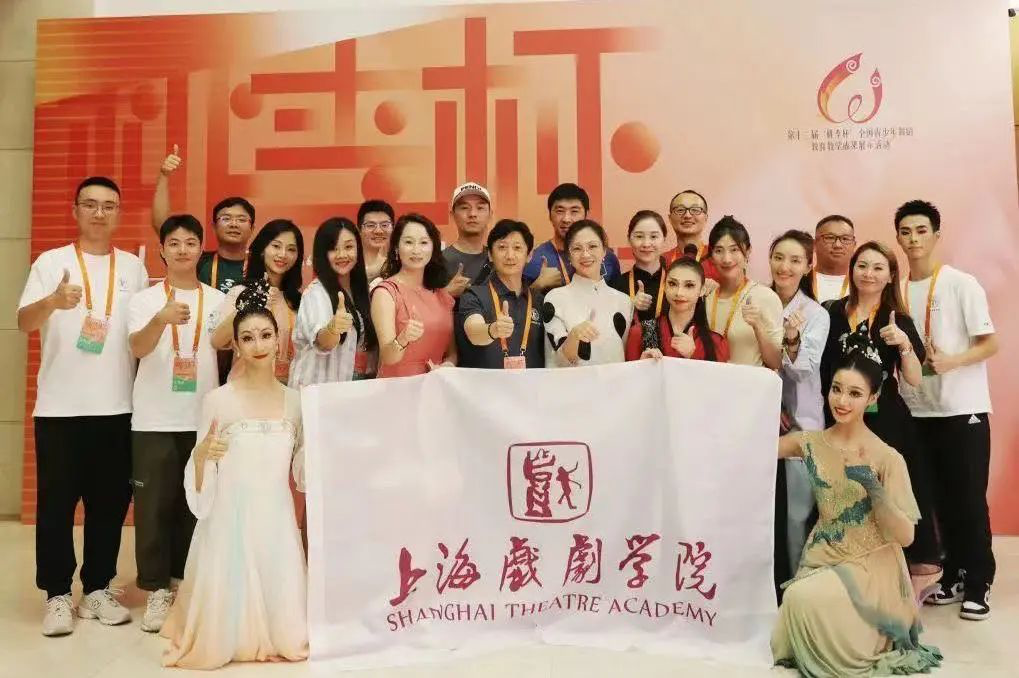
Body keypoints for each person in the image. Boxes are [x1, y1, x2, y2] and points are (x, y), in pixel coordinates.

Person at [17, 176, 149, 636]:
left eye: (108, 205)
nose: (99, 213)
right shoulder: (51, 262)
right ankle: (57, 595)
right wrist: (53, 301)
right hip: (59, 408)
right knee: (56, 505)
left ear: (119, 213)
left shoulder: (133, 267)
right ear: (75, 211)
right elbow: (23, 322)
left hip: (117, 406)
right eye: (90, 204)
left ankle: (96, 588)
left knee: (109, 505)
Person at [773, 335, 942, 677]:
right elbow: (754, 446)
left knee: (803, 599)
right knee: (797, 598)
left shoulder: (887, 458)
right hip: (822, 556)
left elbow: (906, 537)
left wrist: (873, 489)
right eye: (837, 389)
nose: (842, 401)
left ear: (873, 398)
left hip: (871, 567)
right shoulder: (811, 442)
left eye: (854, 393)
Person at [161, 287, 308, 669]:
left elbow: (303, 471)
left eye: (265, 335)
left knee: (289, 630)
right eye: (247, 337)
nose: (258, 344)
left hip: (276, 519)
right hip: (230, 519)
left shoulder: (295, 402)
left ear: (278, 341)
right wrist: (201, 457)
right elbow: (200, 466)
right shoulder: (218, 400)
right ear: (237, 347)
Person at [894, 200, 998, 620]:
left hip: (962, 409)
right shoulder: (898, 289)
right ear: (898, 238)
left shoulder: (960, 284)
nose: (913, 239)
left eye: (921, 230)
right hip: (919, 411)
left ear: (936, 235)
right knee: (935, 500)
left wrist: (952, 362)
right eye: (905, 231)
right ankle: (953, 574)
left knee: (968, 498)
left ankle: (979, 581)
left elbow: (990, 343)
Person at [820, 240, 942, 597]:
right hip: (841, 417)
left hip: (886, 420)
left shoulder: (897, 319)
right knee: (845, 498)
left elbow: (915, 378)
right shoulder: (831, 312)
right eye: (862, 266)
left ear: (890, 275)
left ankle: (907, 578)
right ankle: (853, 578)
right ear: (852, 270)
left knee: (889, 497)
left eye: (877, 267)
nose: (868, 274)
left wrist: (903, 344)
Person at [127, 215, 225, 633]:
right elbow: (137, 347)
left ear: (201, 249)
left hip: (202, 418)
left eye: (190, 242)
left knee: (196, 505)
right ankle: (155, 590)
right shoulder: (144, 300)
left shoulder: (217, 300)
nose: (183, 250)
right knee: (153, 507)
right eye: (174, 243)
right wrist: (160, 319)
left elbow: (227, 347)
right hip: (154, 418)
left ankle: (185, 584)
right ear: (162, 251)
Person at [769, 230, 830, 586]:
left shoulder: (815, 314)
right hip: (758, 423)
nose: (785, 267)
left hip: (800, 423)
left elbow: (805, 369)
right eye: (779, 257)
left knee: (797, 515)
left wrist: (792, 340)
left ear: (808, 266)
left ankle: (798, 588)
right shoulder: (756, 301)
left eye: (795, 260)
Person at [211, 219, 304, 383]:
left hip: (285, 388)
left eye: (291, 249)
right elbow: (217, 341)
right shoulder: (241, 293)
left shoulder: (297, 300)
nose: (283, 254)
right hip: (245, 388)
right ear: (262, 250)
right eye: (276, 246)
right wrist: (246, 306)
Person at [153, 145, 255, 293]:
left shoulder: (260, 266)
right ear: (214, 226)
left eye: (241, 219)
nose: (234, 224)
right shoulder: (198, 261)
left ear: (252, 228)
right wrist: (164, 176)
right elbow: (163, 227)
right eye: (226, 218)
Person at [290, 217, 377, 386]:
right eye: (333, 249)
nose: (342, 255)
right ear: (323, 254)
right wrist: (333, 328)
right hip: (312, 394)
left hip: (340, 392)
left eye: (348, 247)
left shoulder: (360, 292)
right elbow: (322, 342)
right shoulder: (316, 293)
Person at [371, 214, 456, 377]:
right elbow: (388, 357)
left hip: (436, 385)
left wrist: (448, 365)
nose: (416, 250)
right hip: (398, 385)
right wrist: (403, 339)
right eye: (409, 242)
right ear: (396, 248)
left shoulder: (441, 294)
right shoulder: (385, 292)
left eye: (423, 243)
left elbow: (452, 353)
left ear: (433, 248)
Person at [543, 220, 632, 366]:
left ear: (604, 251)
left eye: (592, 246)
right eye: (577, 248)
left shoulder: (624, 301)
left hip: (616, 381)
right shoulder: (555, 299)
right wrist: (573, 337)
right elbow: (558, 360)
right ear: (569, 256)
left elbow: (626, 356)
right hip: (571, 380)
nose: (585, 254)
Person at [459, 219, 545, 369]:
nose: (510, 255)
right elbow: (473, 332)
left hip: (531, 383)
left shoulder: (539, 300)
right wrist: (493, 330)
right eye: (502, 247)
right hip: (486, 383)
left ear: (529, 255)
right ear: (490, 255)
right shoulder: (474, 295)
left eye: (517, 248)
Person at [703, 216, 783, 368]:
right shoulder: (705, 297)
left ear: (748, 251)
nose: (727, 259)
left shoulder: (765, 297)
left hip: (749, 382)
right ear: (711, 256)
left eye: (734, 250)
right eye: (719, 251)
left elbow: (777, 362)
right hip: (709, 381)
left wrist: (758, 326)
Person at [625, 256, 728, 362]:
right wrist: (642, 365)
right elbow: (629, 372)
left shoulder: (716, 342)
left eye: (689, 285)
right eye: (672, 284)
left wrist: (694, 354)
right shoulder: (639, 333)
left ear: (702, 290)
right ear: (664, 287)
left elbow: (717, 373)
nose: (679, 293)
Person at [523, 183, 621, 291]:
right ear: (550, 215)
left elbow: (617, 297)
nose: (566, 219)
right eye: (560, 211)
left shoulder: (607, 258)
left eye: (574, 211)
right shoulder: (534, 259)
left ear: (586, 214)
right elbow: (517, 300)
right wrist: (537, 285)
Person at [610, 210, 669, 358]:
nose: (646, 243)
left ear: (664, 239)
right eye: (639, 236)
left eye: (654, 236)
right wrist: (630, 307)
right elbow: (608, 333)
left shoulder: (676, 283)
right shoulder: (616, 285)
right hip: (628, 364)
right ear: (629, 239)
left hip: (670, 363)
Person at [443, 182, 494, 297]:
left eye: (480, 208)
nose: (472, 214)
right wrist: (446, 293)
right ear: (452, 215)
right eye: (464, 208)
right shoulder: (437, 261)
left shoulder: (499, 260)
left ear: (490, 214)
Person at [664, 189, 720, 280]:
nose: (687, 215)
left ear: (706, 218)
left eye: (695, 210)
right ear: (670, 218)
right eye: (680, 210)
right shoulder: (661, 261)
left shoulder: (718, 258)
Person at [812, 214, 856, 304]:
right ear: (814, 244)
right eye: (830, 238)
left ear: (854, 245)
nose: (837, 245)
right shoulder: (799, 281)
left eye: (845, 239)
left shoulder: (863, 284)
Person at [358, 199, 394, 283]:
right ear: (359, 230)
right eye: (371, 225)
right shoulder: (346, 265)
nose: (378, 231)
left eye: (384, 225)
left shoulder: (399, 266)